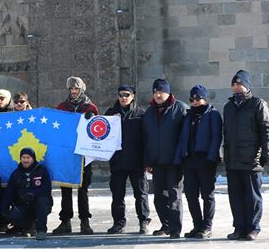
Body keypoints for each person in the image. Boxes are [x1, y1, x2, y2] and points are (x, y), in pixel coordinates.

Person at [223, 70, 269, 241]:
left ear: (247, 86)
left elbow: (266, 129)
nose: (237, 87)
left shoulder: (257, 104)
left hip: (251, 159)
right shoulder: (229, 107)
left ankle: (253, 228)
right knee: (236, 197)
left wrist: (266, 152)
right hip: (233, 160)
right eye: (234, 85)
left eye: (240, 84)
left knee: (252, 197)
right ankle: (239, 227)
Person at [174, 85, 223, 239]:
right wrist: (179, 157)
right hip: (190, 160)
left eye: (198, 99)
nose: (195, 102)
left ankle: (207, 226)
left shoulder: (213, 114)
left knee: (207, 195)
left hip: (205, 160)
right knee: (191, 194)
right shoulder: (188, 116)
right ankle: (197, 225)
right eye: (192, 99)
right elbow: (182, 138)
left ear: (205, 99)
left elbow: (216, 137)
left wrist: (212, 157)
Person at [142, 78, 188, 238]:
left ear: (168, 93)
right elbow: (146, 139)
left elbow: (187, 136)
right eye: (155, 92)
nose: (158, 95)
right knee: (159, 197)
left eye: (161, 91)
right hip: (157, 162)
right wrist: (147, 161)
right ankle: (166, 225)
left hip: (175, 161)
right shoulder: (149, 113)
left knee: (174, 196)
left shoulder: (180, 109)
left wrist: (184, 157)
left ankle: (175, 229)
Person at [53, 76, 98, 235]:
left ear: (81, 89)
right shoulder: (62, 107)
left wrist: (91, 118)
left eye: (76, 89)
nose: (73, 92)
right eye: (71, 89)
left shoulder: (89, 107)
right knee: (65, 189)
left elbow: (95, 128)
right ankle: (65, 221)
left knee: (82, 190)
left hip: (84, 155)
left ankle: (85, 222)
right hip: (66, 153)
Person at [105, 84, 150, 234]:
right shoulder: (111, 114)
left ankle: (143, 221)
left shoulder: (141, 114)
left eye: (126, 95)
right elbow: (100, 132)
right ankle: (119, 222)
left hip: (136, 162)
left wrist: (146, 161)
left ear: (133, 96)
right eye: (121, 95)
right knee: (117, 195)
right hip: (118, 161)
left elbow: (146, 140)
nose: (123, 98)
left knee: (141, 194)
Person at [1, 147, 53, 241]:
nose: (25, 160)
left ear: (33, 158)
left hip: (39, 202)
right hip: (23, 203)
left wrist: (33, 194)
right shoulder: (16, 174)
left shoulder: (42, 170)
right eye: (23, 157)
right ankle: (29, 225)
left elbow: (46, 188)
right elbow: (10, 192)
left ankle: (41, 230)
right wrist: (4, 208)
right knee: (13, 215)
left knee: (42, 202)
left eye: (28, 157)